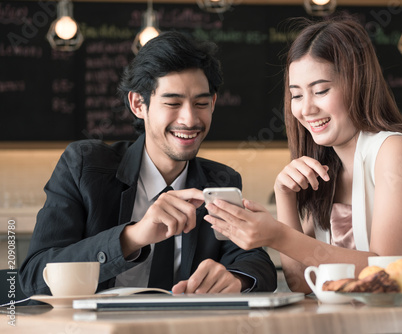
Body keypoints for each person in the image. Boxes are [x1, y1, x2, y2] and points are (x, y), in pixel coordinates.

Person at [205, 15, 402, 299]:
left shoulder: (396, 151)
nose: (306, 109)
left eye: (321, 90)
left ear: (358, 84)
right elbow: (302, 283)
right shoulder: (324, 169)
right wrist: (283, 196)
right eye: (296, 95)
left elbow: (386, 273)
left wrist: (279, 236)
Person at [19, 31, 277, 297]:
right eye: (172, 103)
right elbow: (33, 277)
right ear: (138, 104)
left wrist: (235, 279)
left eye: (200, 103)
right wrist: (133, 237)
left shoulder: (220, 181)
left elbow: (257, 262)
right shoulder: (85, 166)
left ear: (213, 103)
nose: (189, 120)